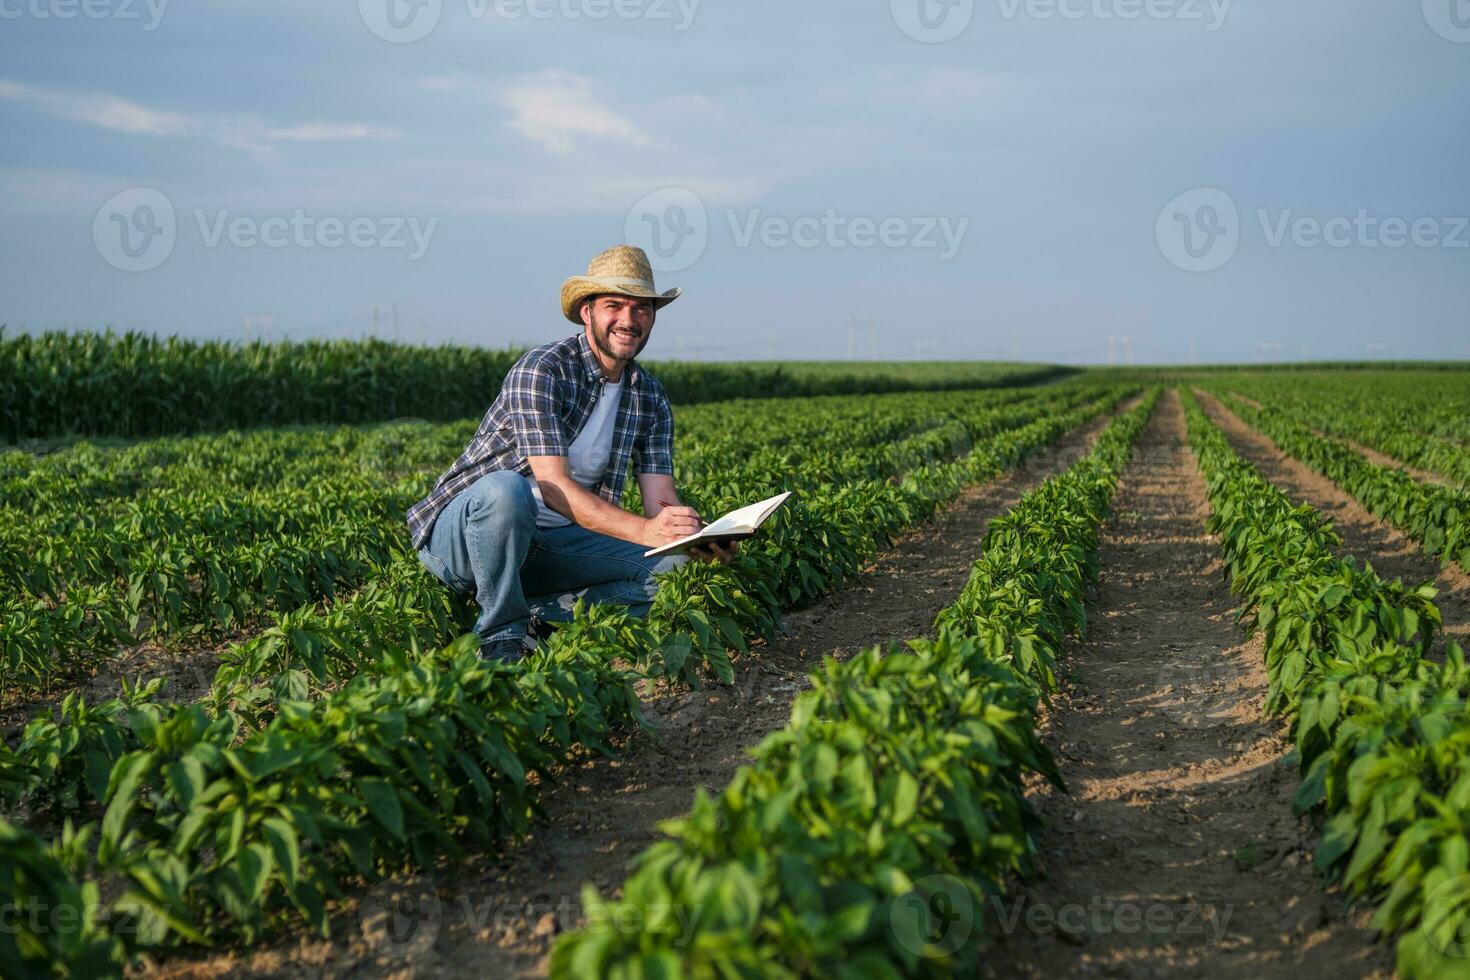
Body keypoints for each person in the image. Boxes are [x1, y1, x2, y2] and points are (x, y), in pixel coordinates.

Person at [406, 244, 736, 662]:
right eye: (614, 305)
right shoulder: (543, 369)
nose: (629, 320)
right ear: (587, 312)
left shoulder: (649, 395)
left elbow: (660, 503)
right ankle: (501, 635)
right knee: (508, 491)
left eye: (642, 309)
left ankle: (540, 618)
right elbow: (554, 487)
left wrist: (697, 538)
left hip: (552, 545)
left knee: (675, 572)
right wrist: (644, 533)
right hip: (467, 540)